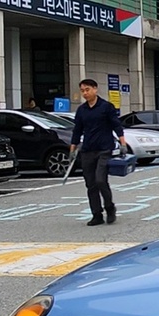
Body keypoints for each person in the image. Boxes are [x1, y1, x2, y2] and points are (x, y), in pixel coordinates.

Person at [68, 78, 129, 227]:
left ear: (95, 89)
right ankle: (96, 214)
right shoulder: (82, 110)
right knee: (91, 184)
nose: (85, 93)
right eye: (82, 90)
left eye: (87, 89)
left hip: (104, 149)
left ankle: (110, 207)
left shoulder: (106, 107)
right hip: (88, 150)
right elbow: (77, 131)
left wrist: (123, 143)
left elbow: (116, 125)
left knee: (101, 180)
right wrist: (72, 149)